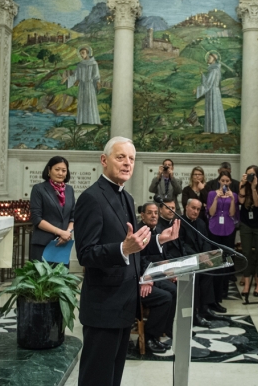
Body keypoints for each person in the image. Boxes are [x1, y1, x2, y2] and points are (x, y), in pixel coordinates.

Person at [74, 137, 179, 386]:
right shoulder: (92, 198)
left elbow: (134, 249)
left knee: (113, 377)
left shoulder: (128, 198)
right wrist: (122, 248)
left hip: (124, 304)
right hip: (103, 305)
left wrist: (158, 242)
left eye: (131, 159)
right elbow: (86, 253)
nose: (127, 163)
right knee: (96, 378)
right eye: (120, 157)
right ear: (104, 160)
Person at [137, 202, 177, 352]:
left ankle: (164, 330)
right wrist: (146, 278)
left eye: (155, 213)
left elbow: (163, 256)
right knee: (165, 297)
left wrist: (168, 269)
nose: (154, 215)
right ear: (142, 215)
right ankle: (150, 337)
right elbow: (140, 259)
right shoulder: (139, 231)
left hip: (154, 273)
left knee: (173, 289)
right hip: (141, 277)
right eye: (149, 213)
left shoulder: (158, 229)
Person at [29, 156, 75, 261]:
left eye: (64, 170)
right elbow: (37, 218)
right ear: (49, 170)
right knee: (42, 277)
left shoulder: (69, 190)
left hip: (63, 243)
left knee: (61, 277)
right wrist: (60, 232)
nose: (60, 173)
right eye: (57, 169)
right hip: (43, 244)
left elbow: (73, 216)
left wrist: (67, 232)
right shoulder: (39, 189)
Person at [237, 165, 258, 298]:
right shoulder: (243, 185)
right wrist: (243, 185)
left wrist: (254, 187)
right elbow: (241, 200)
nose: (250, 177)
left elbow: (257, 204)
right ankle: (247, 283)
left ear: (257, 176)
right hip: (246, 224)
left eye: (253, 174)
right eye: (248, 174)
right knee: (246, 253)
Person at [207, 170, 239, 297]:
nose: (225, 183)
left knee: (227, 257)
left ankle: (224, 288)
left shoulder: (234, 195)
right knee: (215, 257)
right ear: (219, 181)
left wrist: (231, 199)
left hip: (228, 228)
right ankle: (214, 288)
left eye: (227, 181)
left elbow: (232, 213)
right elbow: (211, 212)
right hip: (214, 227)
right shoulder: (211, 194)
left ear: (230, 182)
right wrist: (216, 198)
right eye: (223, 181)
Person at [62, 45, 101, 125]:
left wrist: (98, 82)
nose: (82, 55)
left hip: (90, 86)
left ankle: (93, 121)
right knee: (82, 102)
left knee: (90, 102)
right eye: (81, 54)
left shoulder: (93, 63)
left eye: (83, 53)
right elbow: (76, 75)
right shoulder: (80, 65)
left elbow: (96, 75)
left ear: (88, 53)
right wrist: (68, 79)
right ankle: (82, 121)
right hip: (82, 86)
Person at [194, 51, 228, 134]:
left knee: (213, 108)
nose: (208, 59)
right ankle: (215, 129)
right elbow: (208, 82)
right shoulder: (214, 69)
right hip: (212, 91)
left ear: (214, 59)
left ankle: (213, 130)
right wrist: (202, 75)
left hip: (213, 92)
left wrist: (197, 90)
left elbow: (208, 84)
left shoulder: (214, 70)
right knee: (213, 109)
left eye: (209, 58)